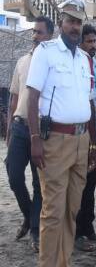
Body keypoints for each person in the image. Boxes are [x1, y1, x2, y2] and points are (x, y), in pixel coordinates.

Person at [26, 0, 96, 267]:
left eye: (78, 22)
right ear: (62, 21)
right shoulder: (45, 53)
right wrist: (34, 140)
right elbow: (32, 97)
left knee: (72, 210)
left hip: (81, 141)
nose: (73, 26)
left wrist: (93, 143)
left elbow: (88, 104)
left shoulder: (84, 59)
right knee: (52, 212)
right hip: (53, 140)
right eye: (69, 20)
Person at [5, 16, 52, 251]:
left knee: (38, 183)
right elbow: (14, 98)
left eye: (40, 32)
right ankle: (27, 214)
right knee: (13, 177)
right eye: (34, 31)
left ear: (50, 36)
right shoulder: (23, 61)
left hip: (42, 130)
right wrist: (9, 131)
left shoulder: (53, 64)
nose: (35, 36)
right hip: (20, 127)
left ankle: (35, 230)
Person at [74, 24, 96, 251]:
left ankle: (88, 227)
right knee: (79, 184)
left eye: (94, 41)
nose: (93, 46)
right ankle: (76, 233)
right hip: (80, 134)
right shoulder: (77, 64)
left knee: (91, 182)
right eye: (89, 42)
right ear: (80, 42)